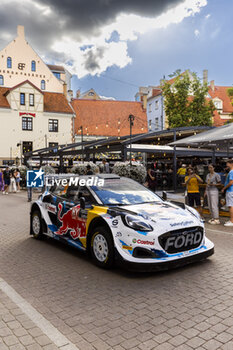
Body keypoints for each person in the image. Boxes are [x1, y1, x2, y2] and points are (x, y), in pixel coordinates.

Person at [221, 159, 233, 226]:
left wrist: (224, 188)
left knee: (230, 206)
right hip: (231, 190)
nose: (226, 165)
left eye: (227, 164)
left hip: (230, 190)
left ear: (231, 163)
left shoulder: (231, 172)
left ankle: (231, 221)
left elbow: (231, 182)